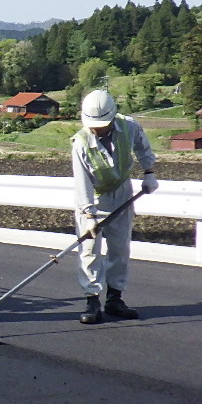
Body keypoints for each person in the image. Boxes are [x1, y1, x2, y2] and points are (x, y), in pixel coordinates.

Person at [71, 89, 159, 324]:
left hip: (122, 192)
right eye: (93, 125)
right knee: (89, 252)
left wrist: (149, 172)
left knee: (120, 249)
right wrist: (88, 214)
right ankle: (92, 301)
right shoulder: (80, 143)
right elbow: (82, 183)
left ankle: (114, 299)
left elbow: (143, 147)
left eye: (101, 124)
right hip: (95, 198)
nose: (96, 129)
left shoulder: (129, 127)